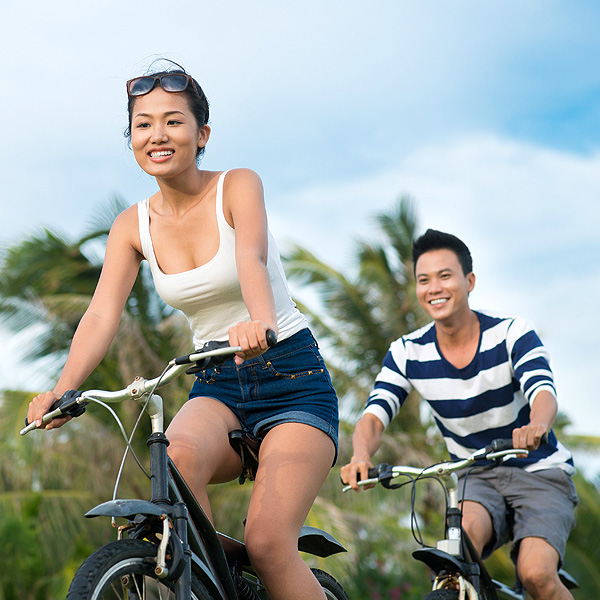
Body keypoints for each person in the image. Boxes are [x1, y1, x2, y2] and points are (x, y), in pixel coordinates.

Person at [27, 60, 339, 600]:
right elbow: (103, 313)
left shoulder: (237, 185)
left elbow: (252, 257)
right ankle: (225, 582)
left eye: (173, 121)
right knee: (172, 468)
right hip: (216, 383)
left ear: (202, 135)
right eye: (143, 124)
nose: (158, 135)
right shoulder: (132, 225)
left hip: (291, 377)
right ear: (131, 141)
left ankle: (261, 565)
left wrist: (259, 320)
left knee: (268, 542)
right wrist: (62, 388)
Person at [341, 229, 578, 600]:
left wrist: (536, 425)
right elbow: (374, 415)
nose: (434, 287)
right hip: (475, 478)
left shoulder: (511, 334)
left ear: (469, 281)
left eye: (445, 276)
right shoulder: (406, 352)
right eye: (423, 280)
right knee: (455, 552)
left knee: (536, 574)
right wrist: (360, 456)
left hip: (538, 471)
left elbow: (543, 392)